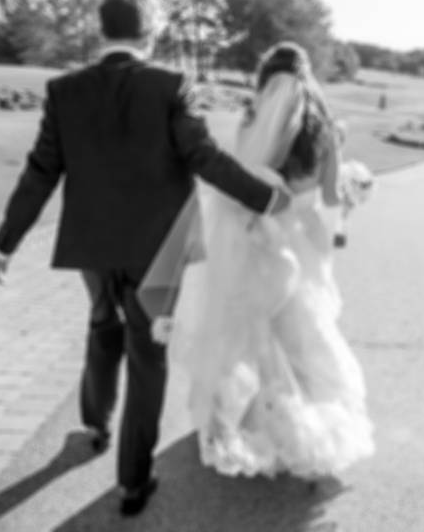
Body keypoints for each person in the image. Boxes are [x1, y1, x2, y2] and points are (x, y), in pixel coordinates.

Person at [0, 0, 290, 516]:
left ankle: (95, 424)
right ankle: (132, 481)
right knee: (148, 356)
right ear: (148, 31)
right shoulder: (170, 85)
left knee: (103, 324)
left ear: (102, 30)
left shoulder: (65, 90)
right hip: (159, 251)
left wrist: (4, 243)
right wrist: (264, 197)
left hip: (92, 247)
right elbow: (203, 156)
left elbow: (41, 172)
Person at [148, 42, 374, 481]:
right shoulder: (325, 132)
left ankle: (239, 422)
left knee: (246, 335)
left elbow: (244, 178)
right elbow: (326, 199)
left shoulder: (251, 118)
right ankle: (300, 426)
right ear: (308, 78)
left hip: (252, 242)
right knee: (301, 337)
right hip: (299, 246)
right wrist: (348, 188)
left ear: (265, 78)